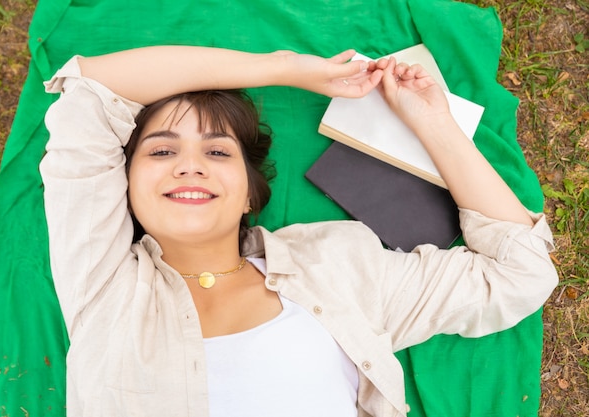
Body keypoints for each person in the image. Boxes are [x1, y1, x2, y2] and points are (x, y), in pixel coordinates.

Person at [40, 46, 558, 417]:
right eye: (161, 151)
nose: (189, 166)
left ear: (248, 195)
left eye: (218, 151)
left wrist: (433, 122)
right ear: (122, 189)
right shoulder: (103, 280)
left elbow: (518, 273)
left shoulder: (338, 269)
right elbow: (91, 89)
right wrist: (283, 68)